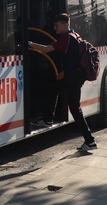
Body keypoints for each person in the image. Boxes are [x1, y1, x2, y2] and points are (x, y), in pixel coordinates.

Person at [28, 13, 97, 152]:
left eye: (57, 25)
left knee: (75, 109)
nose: (54, 28)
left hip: (73, 80)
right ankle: (48, 119)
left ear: (65, 25)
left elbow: (47, 49)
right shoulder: (75, 36)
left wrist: (28, 43)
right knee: (54, 89)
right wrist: (64, 72)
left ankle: (90, 140)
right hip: (73, 77)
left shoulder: (66, 38)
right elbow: (75, 60)